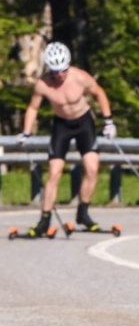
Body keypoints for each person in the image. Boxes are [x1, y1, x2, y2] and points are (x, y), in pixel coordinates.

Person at [17, 41, 116, 236]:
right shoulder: (43, 84)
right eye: (54, 71)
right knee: (54, 172)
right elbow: (33, 107)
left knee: (92, 168)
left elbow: (99, 93)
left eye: (62, 70)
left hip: (84, 123)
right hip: (61, 125)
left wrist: (108, 121)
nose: (58, 75)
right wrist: (26, 132)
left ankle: (83, 213)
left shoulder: (80, 77)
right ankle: (44, 220)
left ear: (68, 66)